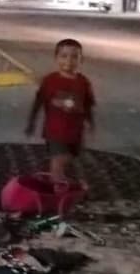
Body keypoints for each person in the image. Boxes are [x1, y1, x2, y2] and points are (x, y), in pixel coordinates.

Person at [25, 38, 95, 182]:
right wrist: (31, 122)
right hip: (55, 131)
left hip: (75, 131)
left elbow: (87, 104)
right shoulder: (50, 81)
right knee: (58, 160)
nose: (69, 61)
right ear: (56, 58)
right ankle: (57, 187)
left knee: (72, 156)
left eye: (75, 56)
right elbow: (38, 102)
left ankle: (59, 179)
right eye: (64, 56)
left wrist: (90, 122)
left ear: (82, 59)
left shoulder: (83, 82)